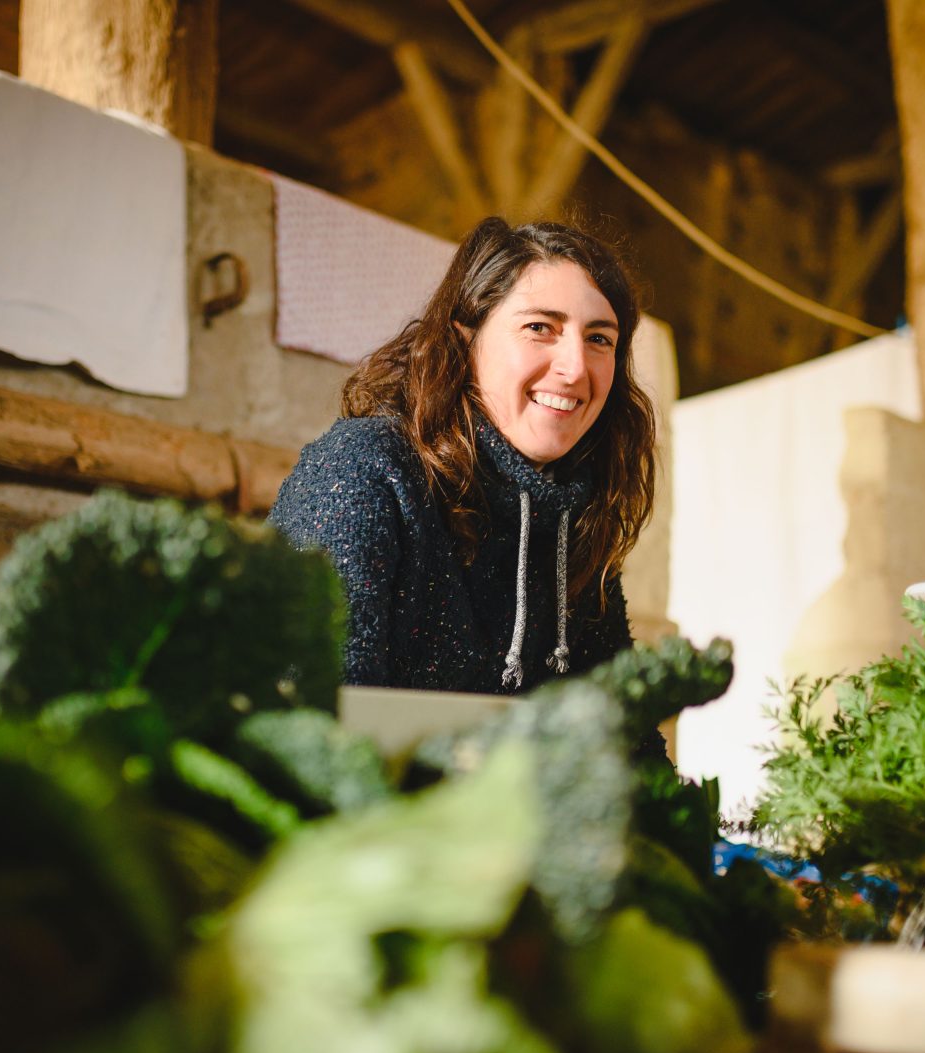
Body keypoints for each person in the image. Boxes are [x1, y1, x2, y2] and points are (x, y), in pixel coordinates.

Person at [267, 216, 657, 696]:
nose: (576, 368)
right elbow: (305, 722)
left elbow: (625, 744)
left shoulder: (573, 523)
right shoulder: (362, 471)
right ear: (464, 337)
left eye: (600, 339)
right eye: (540, 327)